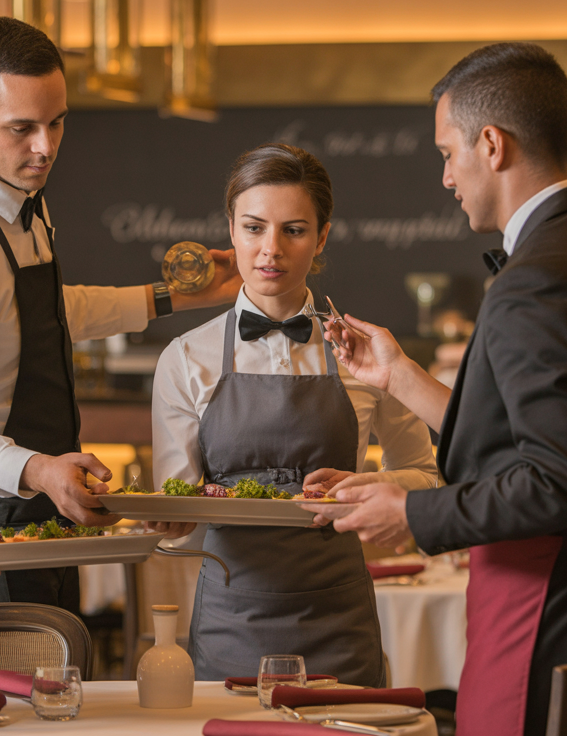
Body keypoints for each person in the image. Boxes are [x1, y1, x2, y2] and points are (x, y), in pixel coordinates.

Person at [308, 44, 567, 735]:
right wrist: (399, 379)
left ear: (492, 144)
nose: (446, 176)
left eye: (448, 153)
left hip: (549, 613)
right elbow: (538, 439)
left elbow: (559, 480)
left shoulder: (535, 280)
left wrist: (413, 513)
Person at [0, 17, 235, 615]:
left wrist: (174, 296)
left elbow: (44, 314)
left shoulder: (18, 190)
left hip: (44, 498)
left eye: (57, 122)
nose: (45, 147)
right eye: (22, 128)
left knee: (62, 691)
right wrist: (40, 470)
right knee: (9, 704)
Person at [150, 143, 438, 685]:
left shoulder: (370, 355)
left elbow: (424, 476)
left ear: (323, 236)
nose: (270, 250)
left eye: (295, 230)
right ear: (230, 229)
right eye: (254, 228)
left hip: (340, 621)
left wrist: (364, 487)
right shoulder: (185, 358)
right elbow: (181, 523)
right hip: (231, 620)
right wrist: (169, 524)